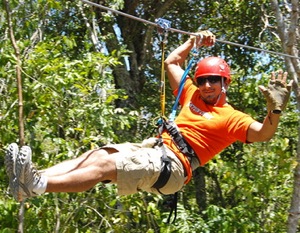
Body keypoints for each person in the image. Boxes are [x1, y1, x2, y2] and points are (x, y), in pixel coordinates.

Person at [5, 31, 293, 202]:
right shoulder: (191, 94)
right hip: (155, 150)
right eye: (203, 80)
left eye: (214, 81)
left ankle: (37, 184)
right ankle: (30, 182)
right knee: (98, 155)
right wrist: (194, 41)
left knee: (107, 164)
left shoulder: (232, 118)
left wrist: (274, 110)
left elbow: (263, 134)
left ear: (225, 83)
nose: (207, 86)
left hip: (175, 166)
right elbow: (171, 61)